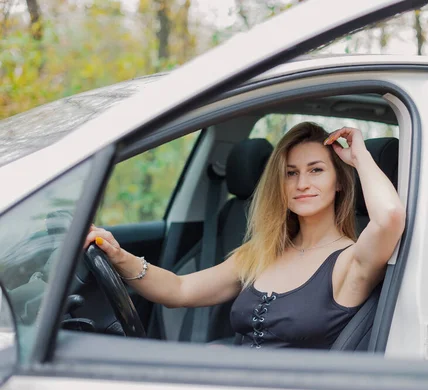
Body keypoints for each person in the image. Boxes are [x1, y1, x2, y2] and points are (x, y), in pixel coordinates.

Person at [84, 122, 405, 349]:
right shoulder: (262, 252)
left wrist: (359, 155)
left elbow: (389, 216)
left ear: (339, 182)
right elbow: (180, 290)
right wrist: (118, 256)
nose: (301, 183)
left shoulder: (351, 261)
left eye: (316, 170)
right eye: (290, 173)